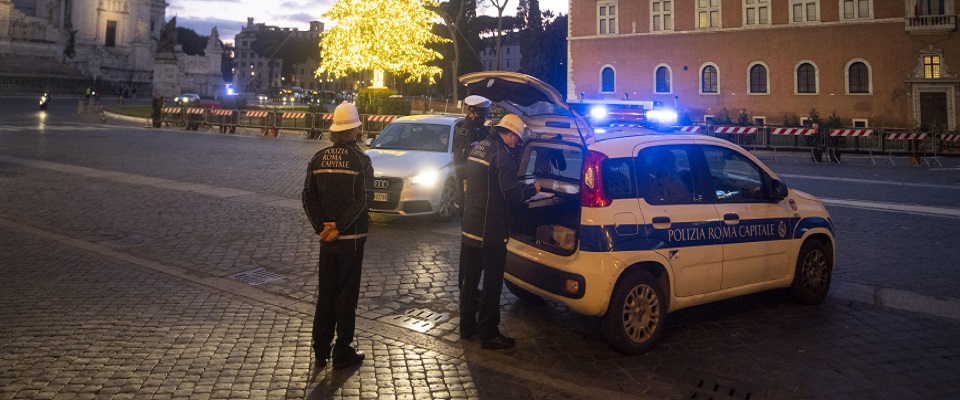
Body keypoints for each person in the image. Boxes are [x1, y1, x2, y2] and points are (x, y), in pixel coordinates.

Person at [302, 101, 373, 370]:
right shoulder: (361, 161)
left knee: (326, 294)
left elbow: (308, 197)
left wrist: (324, 227)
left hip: (327, 241)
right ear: (355, 130)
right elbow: (363, 202)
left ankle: (321, 349)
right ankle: (342, 350)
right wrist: (340, 227)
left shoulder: (318, 159)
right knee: (346, 296)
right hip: (351, 240)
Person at [459, 113, 539, 350]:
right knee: (493, 284)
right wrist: (533, 190)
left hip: (470, 226)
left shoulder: (478, 147)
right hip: (491, 231)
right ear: (511, 134)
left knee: (470, 280)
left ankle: (467, 327)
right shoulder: (501, 156)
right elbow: (512, 196)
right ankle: (489, 332)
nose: (516, 143)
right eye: (517, 138)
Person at [453, 95, 491, 215]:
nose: (483, 119)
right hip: (467, 190)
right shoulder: (465, 133)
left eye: (485, 116)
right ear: (471, 113)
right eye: (481, 116)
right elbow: (459, 163)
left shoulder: (479, 131)